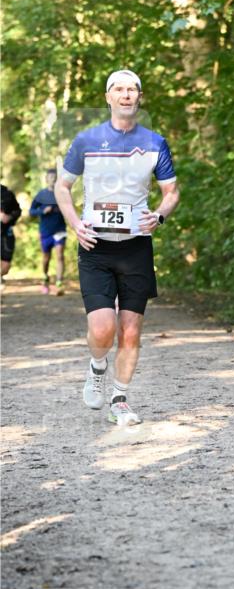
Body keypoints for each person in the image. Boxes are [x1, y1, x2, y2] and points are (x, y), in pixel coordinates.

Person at [54, 69, 179, 426]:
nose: (126, 95)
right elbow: (63, 188)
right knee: (103, 327)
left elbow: (171, 192)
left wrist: (159, 215)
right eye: (119, 89)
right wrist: (76, 225)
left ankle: (119, 398)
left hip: (136, 246)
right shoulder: (86, 140)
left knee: (131, 330)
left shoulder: (155, 142)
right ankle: (97, 366)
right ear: (108, 97)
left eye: (133, 90)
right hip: (95, 246)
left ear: (139, 98)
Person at [30, 168, 67, 294]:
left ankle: (59, 282)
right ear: (46, 179)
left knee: (60, 255)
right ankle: (45, 277)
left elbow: (69, 208)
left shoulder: (62, 193)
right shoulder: (41, 195)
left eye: (55, 177)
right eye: (50, 177)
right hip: (45, 231)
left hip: (60, 230)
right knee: (46, 257)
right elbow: (31, 211)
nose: (52, 180)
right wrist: (42, 211)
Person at [1, 183, 22, 285]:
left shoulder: (7, 194)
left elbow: (18, 211)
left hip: (6, 234)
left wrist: (9, 217)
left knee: (5, 267)